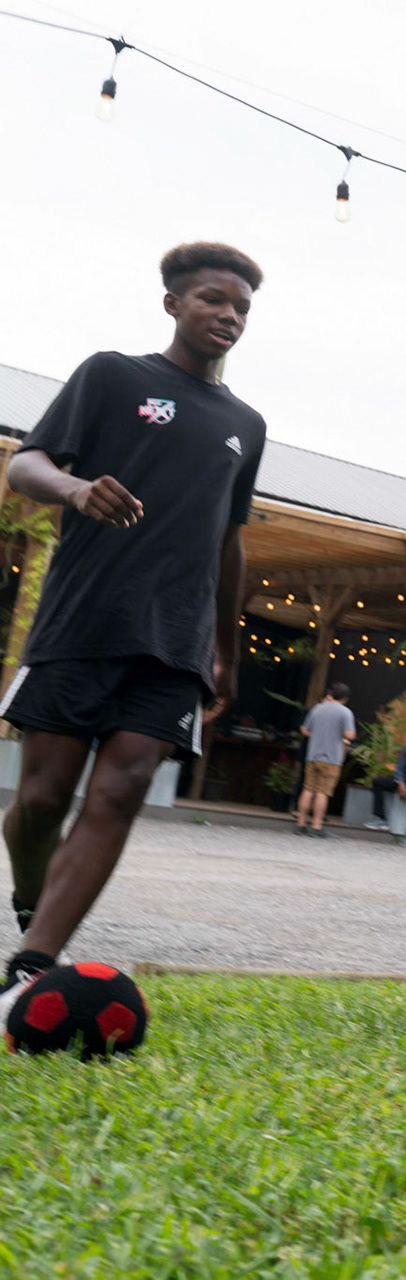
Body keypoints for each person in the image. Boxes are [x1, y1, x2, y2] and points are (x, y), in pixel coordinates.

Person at [0, 242, 266, 1010]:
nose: (229, 316)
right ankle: (31, 898)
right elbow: (27, 464)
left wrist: (225, 651)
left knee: (121, 789)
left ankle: (31, 961)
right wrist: (77, 490)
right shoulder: (113, 376)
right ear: (174, 304)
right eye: (214, 299)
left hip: (174, 643)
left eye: (242, 307)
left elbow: (228, 538)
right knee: (43, 800)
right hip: (82, 622)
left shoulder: (245, 424)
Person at [296, 682, 355, 837]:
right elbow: (350, 735)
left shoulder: (317, 708)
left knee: (308, 789)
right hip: (331, 758)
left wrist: (317, 734)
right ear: (344, 697)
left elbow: (304, 729)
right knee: (323, 792)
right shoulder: (345, 712)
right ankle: (316, 826)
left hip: (312, 755)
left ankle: (301, 824)